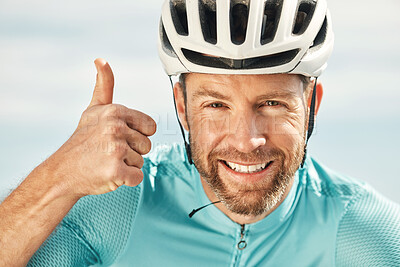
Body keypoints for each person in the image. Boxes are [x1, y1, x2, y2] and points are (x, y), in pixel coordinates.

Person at [0, 0, 399, 266]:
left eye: (272, 104)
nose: (246, 142)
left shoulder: (360, 230)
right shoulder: (118, 207)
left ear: (311, 106)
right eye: (216, 106)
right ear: (182, 108)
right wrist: (57, 179)